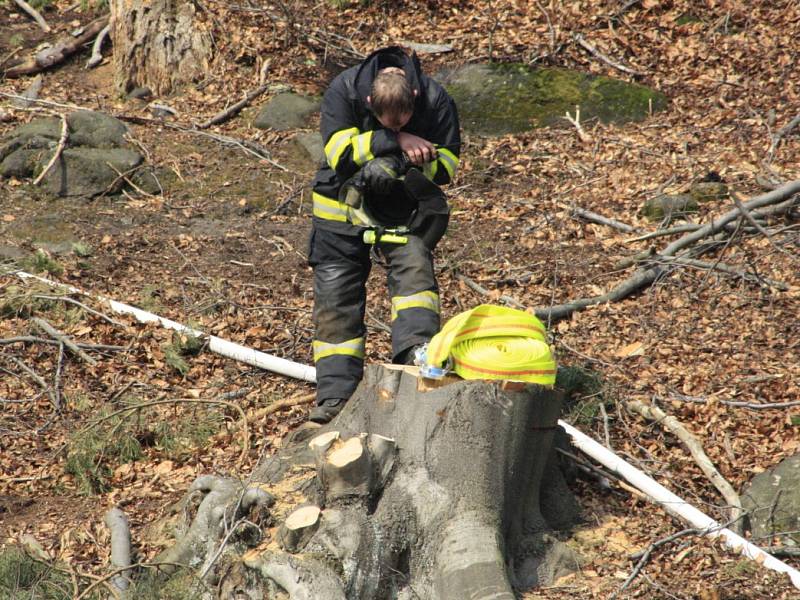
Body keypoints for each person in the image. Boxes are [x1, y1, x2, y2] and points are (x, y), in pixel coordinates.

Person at [308, 46, 461, 423]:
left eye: (403, 121)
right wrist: (393, 142)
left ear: (412, 97)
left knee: (415, 287)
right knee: (336, 304)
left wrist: (394, 164)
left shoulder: (435, 98)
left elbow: (448, 165)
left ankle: (415, 375)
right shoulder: (343, 90)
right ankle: (335, 400)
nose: (395, 126)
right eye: (384, 120)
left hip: (404, 212)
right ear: (370, 101)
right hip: (339, 214)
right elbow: (338, 152)